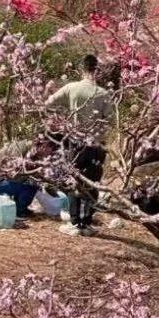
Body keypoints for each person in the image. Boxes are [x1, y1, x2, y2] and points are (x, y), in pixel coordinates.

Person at [45, 54, 115, 233]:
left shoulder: (71, 88)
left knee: (74, 179)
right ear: (96, 70)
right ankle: (87, 222)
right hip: (96, 145)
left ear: (82, 69)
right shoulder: (104, 93)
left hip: (75, 142)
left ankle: (74, 222)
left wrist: (63, 118)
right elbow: (110, 120)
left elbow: (48, 104)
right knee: (93, 183)